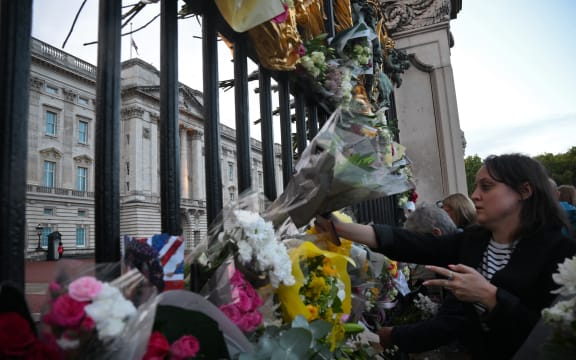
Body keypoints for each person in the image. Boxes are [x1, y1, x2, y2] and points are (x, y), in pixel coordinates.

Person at [317, 154, 576, 359]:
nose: (475, 195)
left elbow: (553, 335)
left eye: (487, 187)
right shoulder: (474, 240)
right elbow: (413, 243)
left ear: (525, 191)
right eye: (476, 186)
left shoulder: (561, 253)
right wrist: (340, 229)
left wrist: (490, 297)